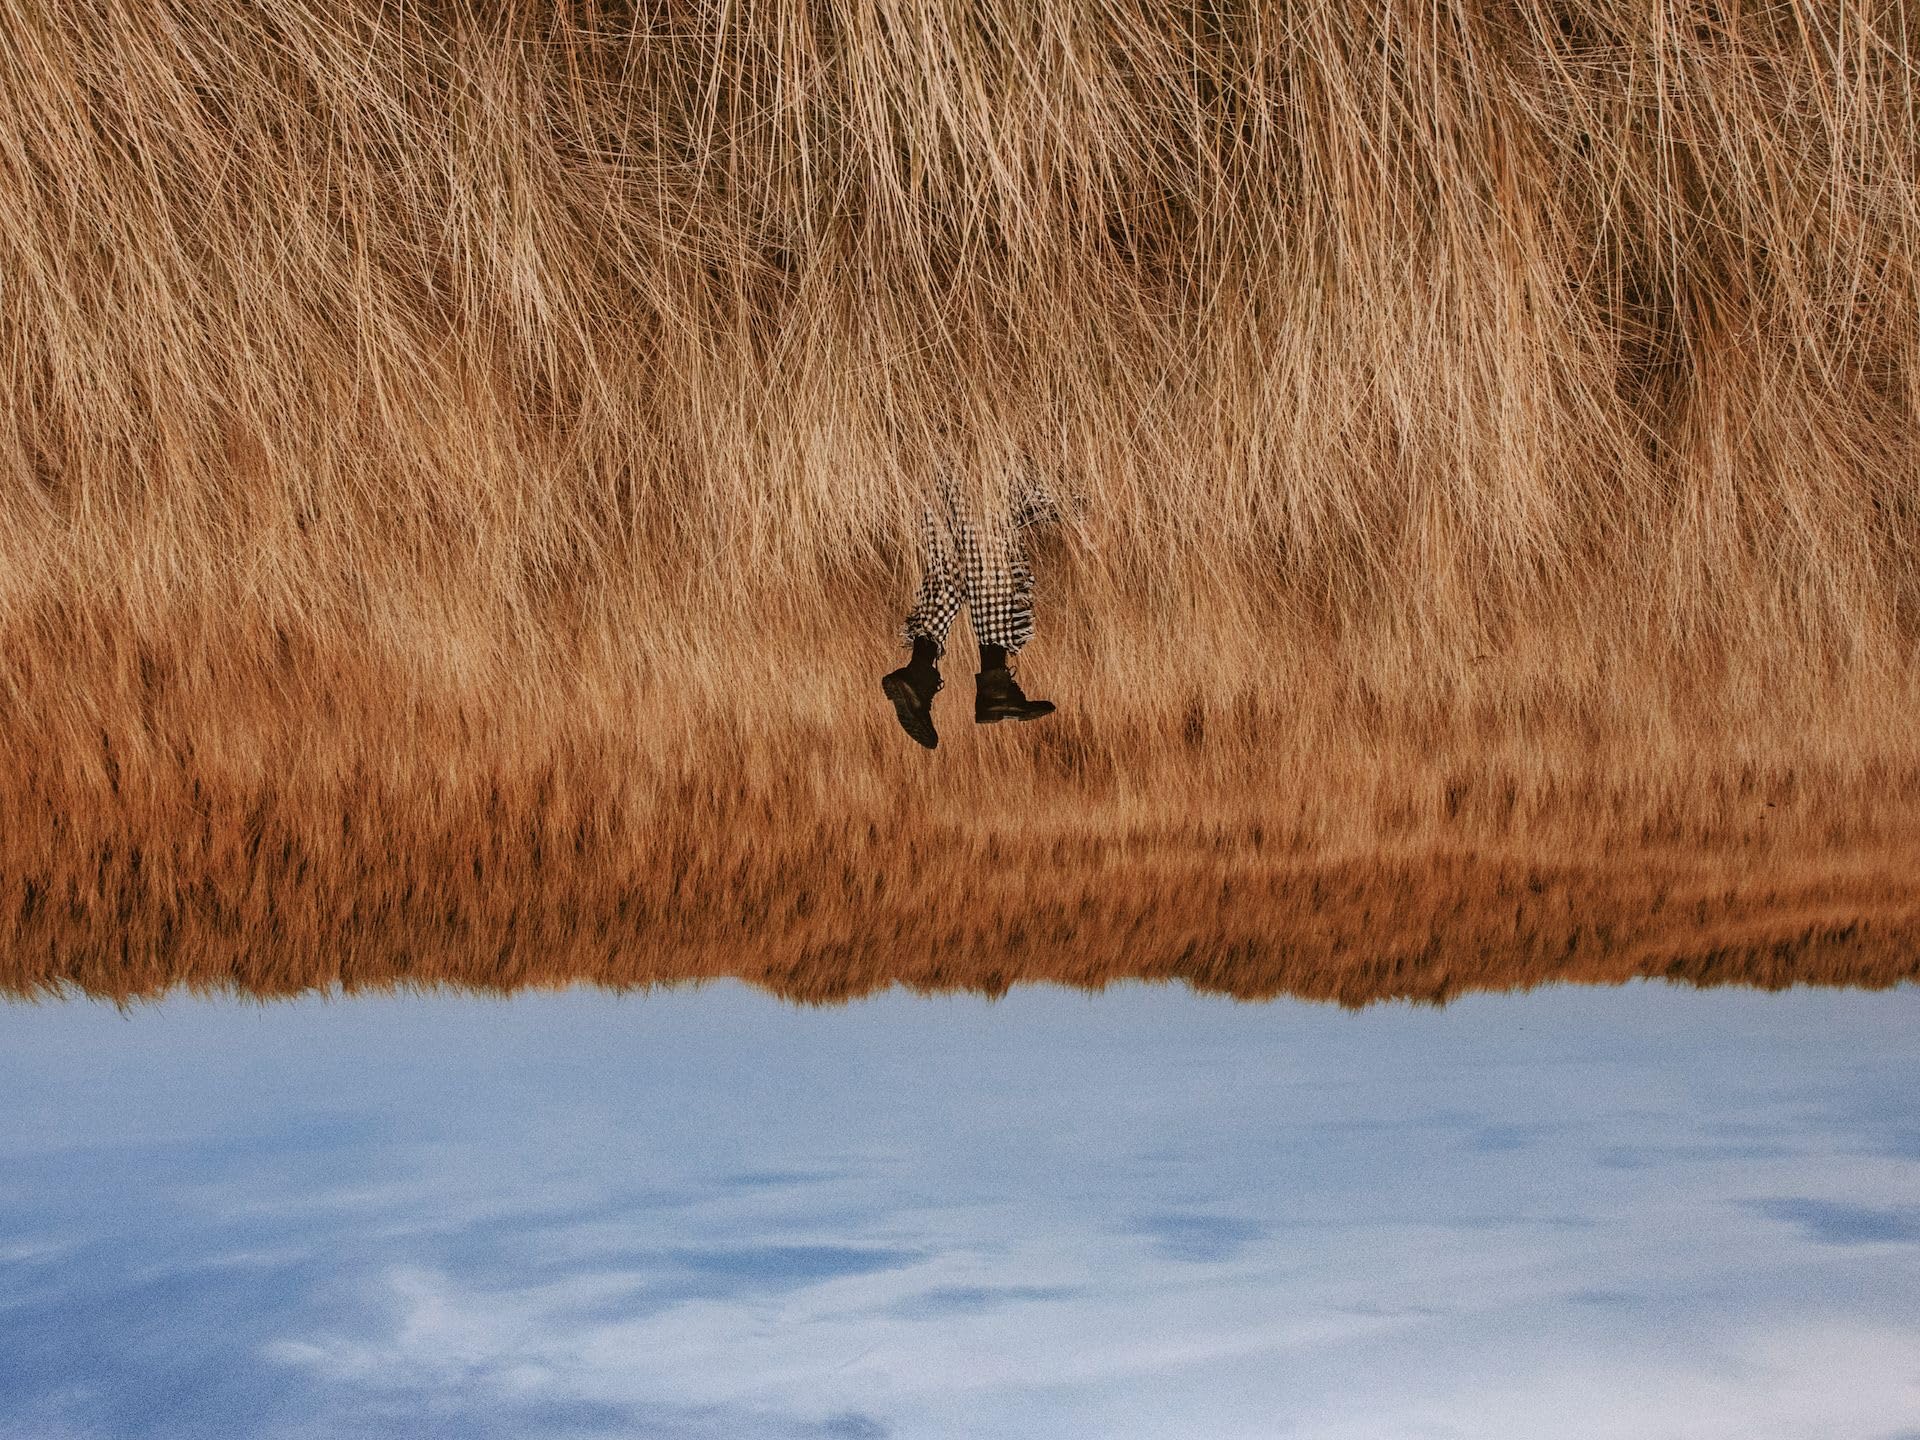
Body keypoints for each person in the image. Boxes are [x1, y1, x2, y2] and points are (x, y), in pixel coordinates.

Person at [881, 469, 1057, 749]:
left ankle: (924, 672)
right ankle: (989, 685)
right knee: (986, 559)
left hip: (930, 468)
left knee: (951, 569)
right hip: (969, 466)